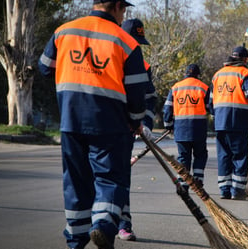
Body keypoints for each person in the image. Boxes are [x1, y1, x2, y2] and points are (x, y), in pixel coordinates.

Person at [38, 1, 148, 248]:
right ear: (117, 7)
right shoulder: (126, 42)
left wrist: (74, 69)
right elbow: (137, 92)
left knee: (76, 181)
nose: (124, 15)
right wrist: (136, 120)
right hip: (110, 124)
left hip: (71, 121)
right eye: (124, 10)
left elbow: (45, 68)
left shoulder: (63, 31)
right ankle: (103, 225)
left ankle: (76, 241)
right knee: (110, 179)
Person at [118, 17, 157, 241]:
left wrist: (146, 124)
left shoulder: (143, 66)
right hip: (104, 126)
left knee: (122, 176)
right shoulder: (108, 55)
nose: (136, 47)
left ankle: (124, 224)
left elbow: (149, 97)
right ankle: (102, 221)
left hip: (127, 130)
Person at [210, 46, 248, 200]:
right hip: (239, 121)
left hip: (220, 122)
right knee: (239, 156)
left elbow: (210, 102)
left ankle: (224, 190)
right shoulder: (245, 74)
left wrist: (217, 116)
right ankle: (237, 191)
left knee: (224, 155)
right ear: (245, 59)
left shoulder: (217, 75)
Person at [163, 64, 210, 191]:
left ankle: (184, 183)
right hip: (198, 129)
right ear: (198, 74)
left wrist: (168, 125)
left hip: (181, 129)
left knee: (183, 156)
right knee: (200, 154)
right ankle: (198, 179)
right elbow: (210, 107)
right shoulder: (203, 88)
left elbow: (167, 108)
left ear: (185, 74)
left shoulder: (175, 88)